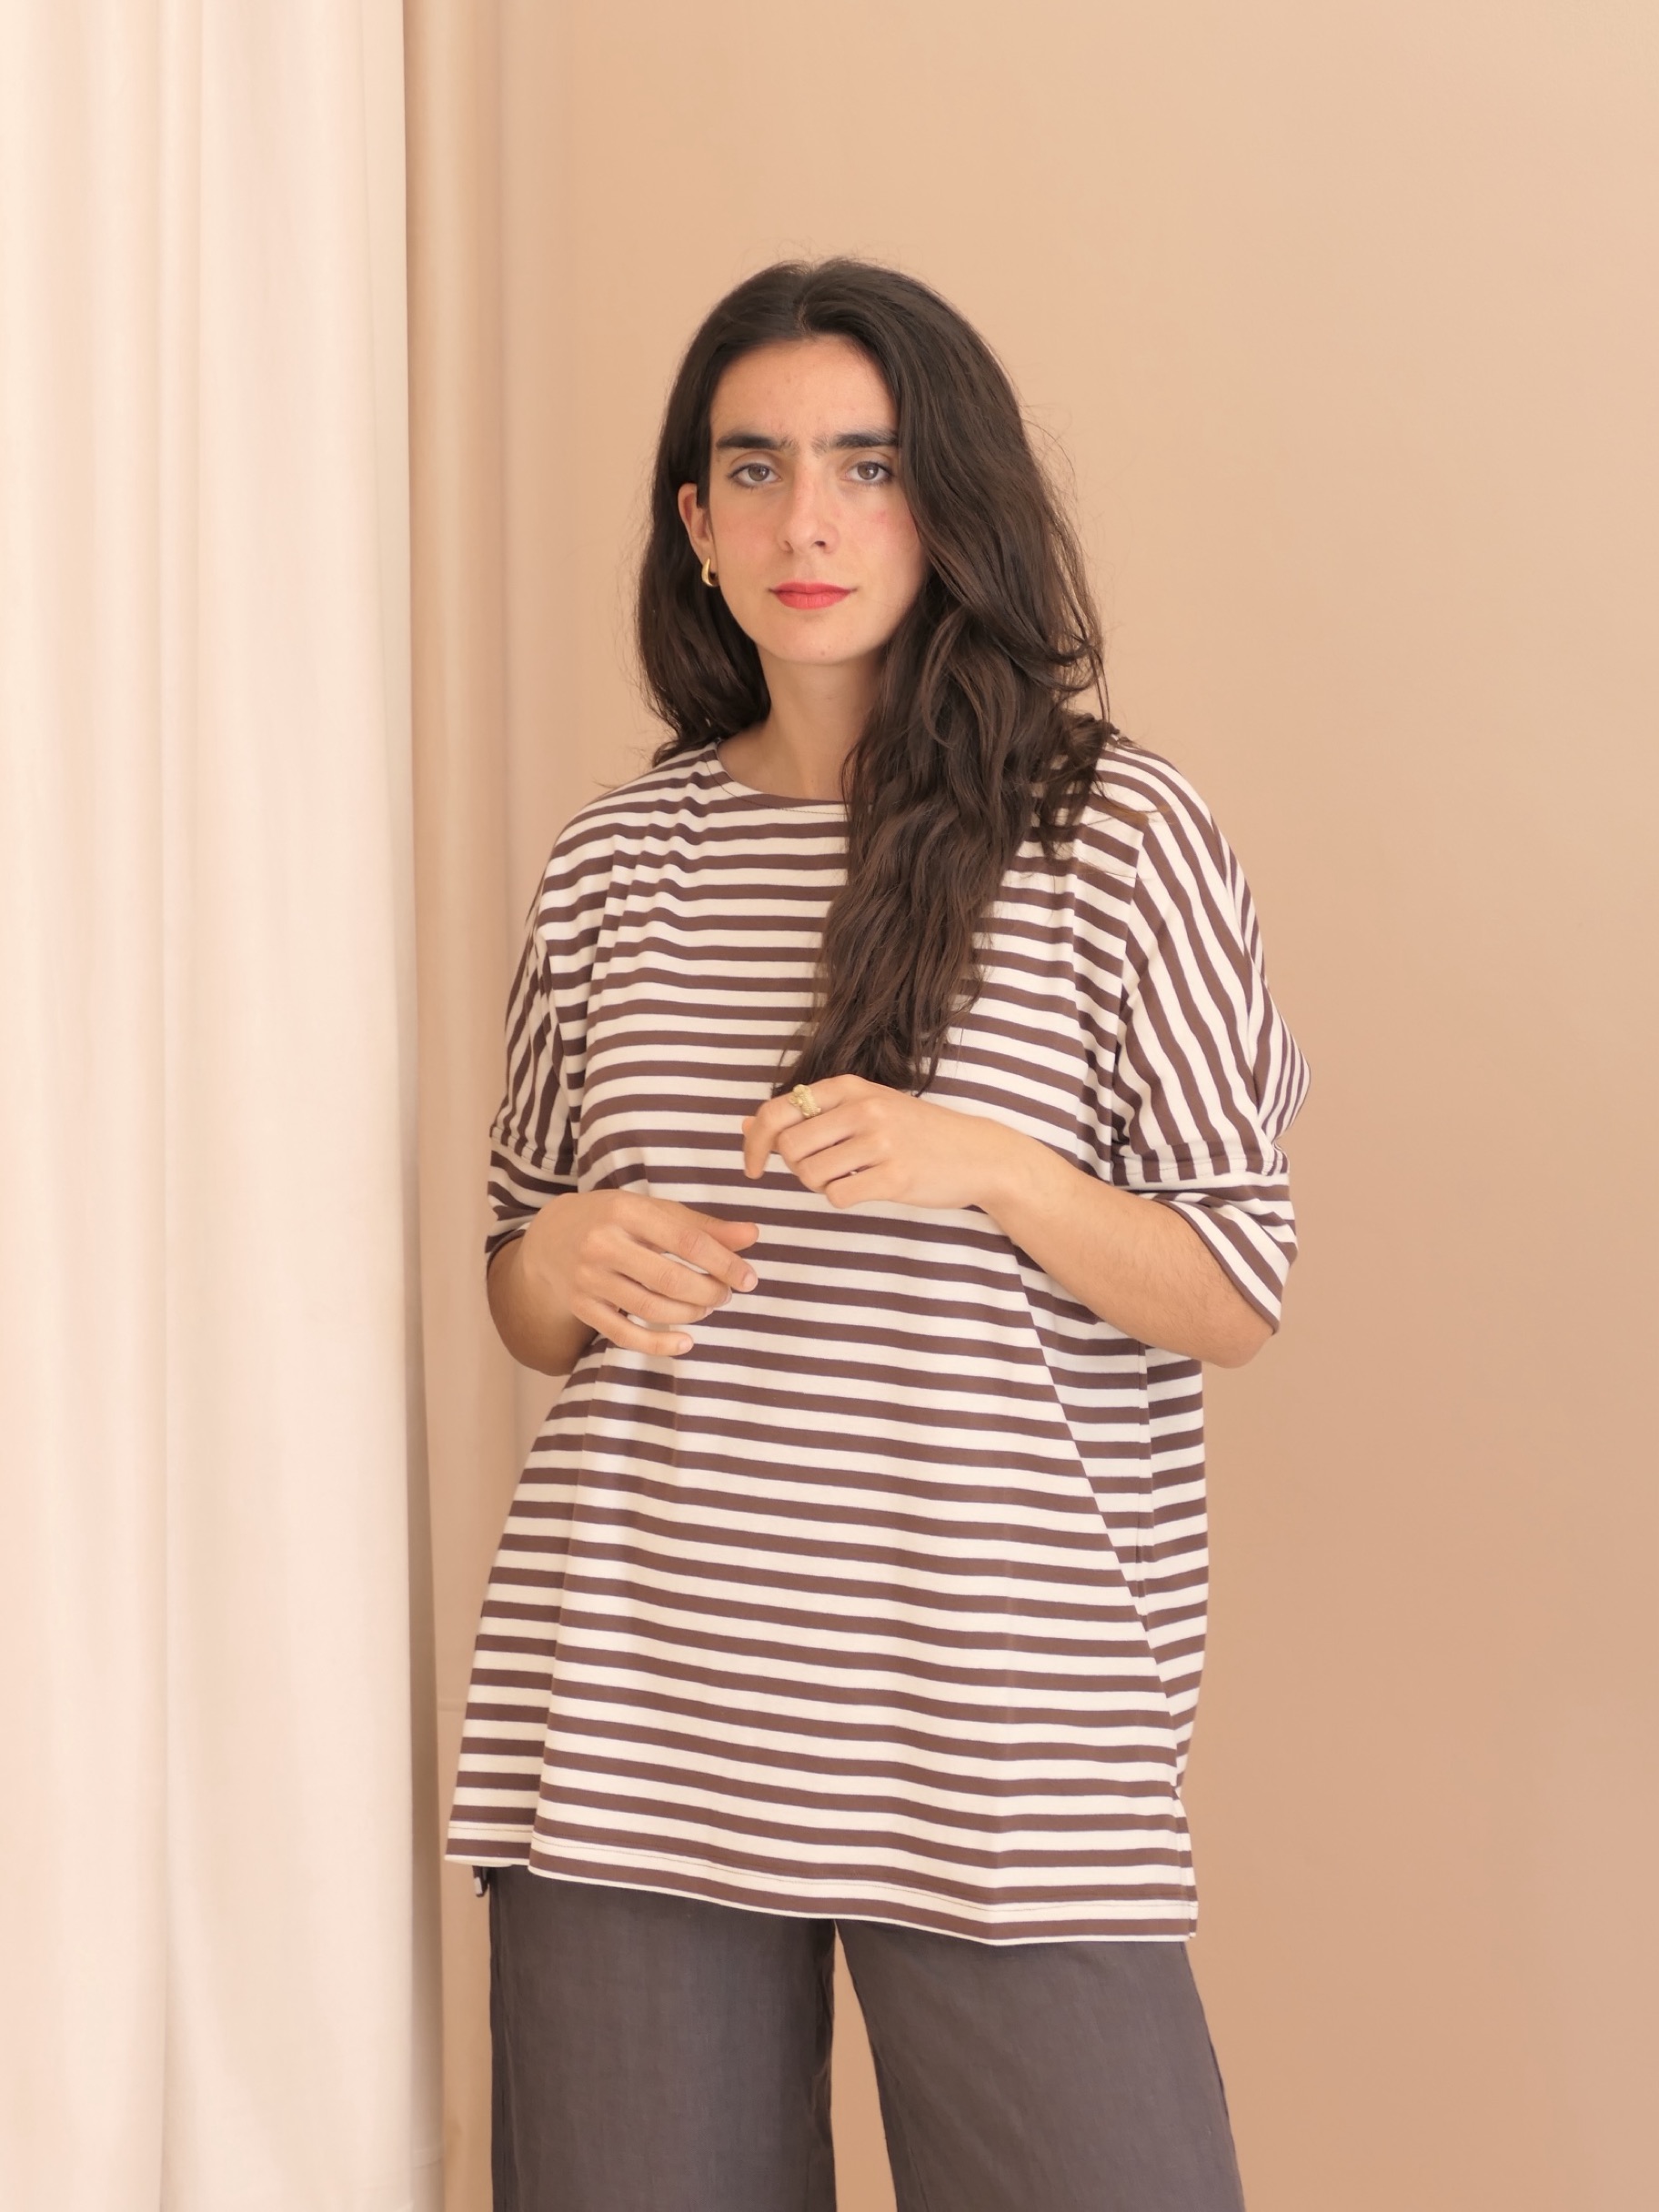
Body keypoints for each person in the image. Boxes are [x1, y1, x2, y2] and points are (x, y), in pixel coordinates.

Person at [447, 257, 1308, 2212]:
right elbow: (521, 1269)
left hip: (1005, 1714)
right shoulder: (616, 860)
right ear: (696, 523)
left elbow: (1236, 1285)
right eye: (755, 470)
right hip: (637, 1705)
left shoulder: (1115, 834)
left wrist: (987, 1165)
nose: (807, 522)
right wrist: (557, 1262)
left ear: (951, 502)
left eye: (868, 465)